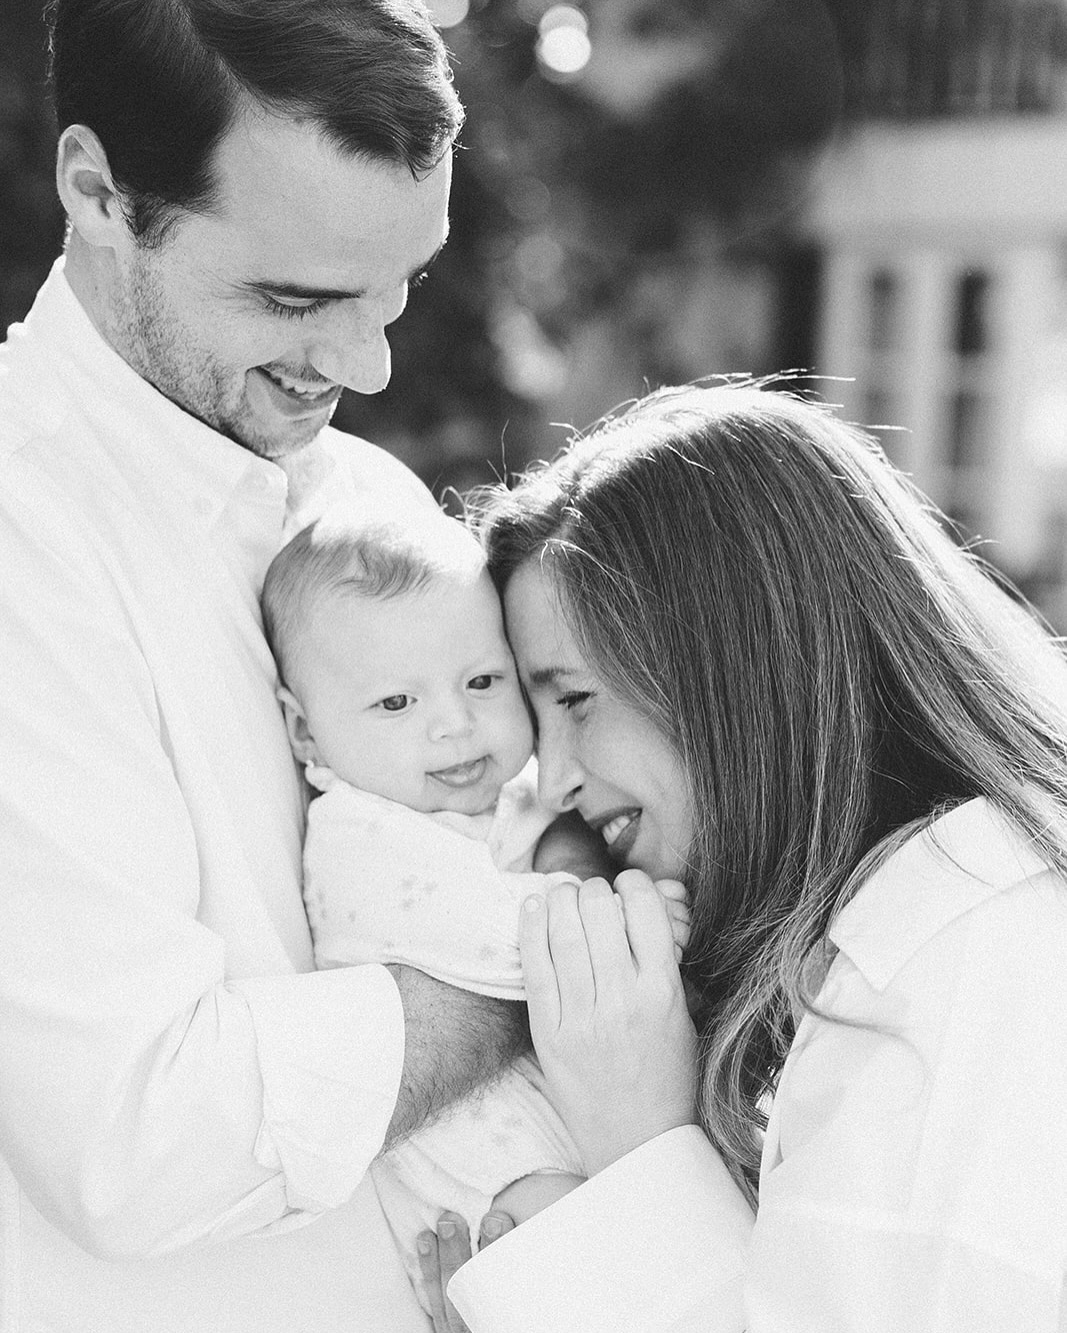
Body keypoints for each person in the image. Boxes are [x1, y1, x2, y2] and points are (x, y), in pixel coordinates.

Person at [0, 3, 530, 1329]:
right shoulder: (21, 536)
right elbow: (135, 1141)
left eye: (399, 287)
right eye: (296, 300)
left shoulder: (366, 500)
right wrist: (545, 973)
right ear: (97, 192)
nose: (366, 364)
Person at [437, 381, 1067, 1331]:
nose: (552, 778)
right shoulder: (889, 946)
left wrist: (638, 1133)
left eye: (573, 700)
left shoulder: (968, 956)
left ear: (731, 666)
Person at [260, 506, 615, 1298]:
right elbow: (506, 943)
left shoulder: (510, 795)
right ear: (306, 733)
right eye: (396, 703)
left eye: (482, 682)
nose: (455, 724)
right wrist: (610, 917)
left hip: (554, 1113)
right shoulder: (357, 833)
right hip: (481, 1157)